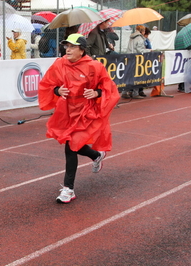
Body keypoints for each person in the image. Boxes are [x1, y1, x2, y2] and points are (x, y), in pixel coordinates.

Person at [38, 34, 120, 204]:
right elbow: (48, 83)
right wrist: (57, 91)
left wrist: (96, 93)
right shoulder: (60, 64)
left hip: (86, 113)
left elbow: (109, 88)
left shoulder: (94, 67)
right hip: (66, 112)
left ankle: (68, 189)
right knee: (73, 144)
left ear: (82, 50)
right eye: (66, 45)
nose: (67, 49)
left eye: (72, 46)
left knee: (71, 146)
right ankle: (97, 155)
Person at [123, 25, 152, 99]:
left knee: (128, 76)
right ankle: (135, 93)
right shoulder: (139, 38)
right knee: (137, 75)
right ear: (142, 31)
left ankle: (125, 91)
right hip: (136, 58)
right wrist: (149, 50)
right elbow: (140, 50)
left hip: (129, 57)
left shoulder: (132, 37)